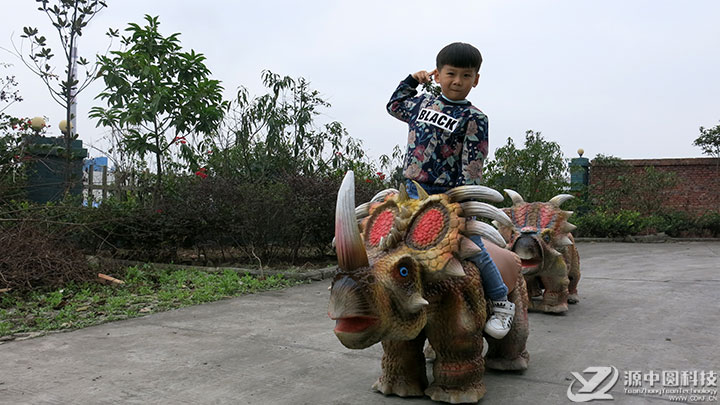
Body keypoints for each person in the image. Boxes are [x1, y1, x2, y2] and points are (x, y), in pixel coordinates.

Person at [386, 42, 514, 339]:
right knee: (395, 247)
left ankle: (501, 302)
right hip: (412, 191)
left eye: (466, 76)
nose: (458, 81)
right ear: (438, 74)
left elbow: (473, 164)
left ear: (476, 80)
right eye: (451, 74)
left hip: (450, 195)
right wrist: (412, 81)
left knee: (475, 250)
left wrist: (466, 200)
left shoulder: (475, 118)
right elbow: (394, 105)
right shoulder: (420, 104)